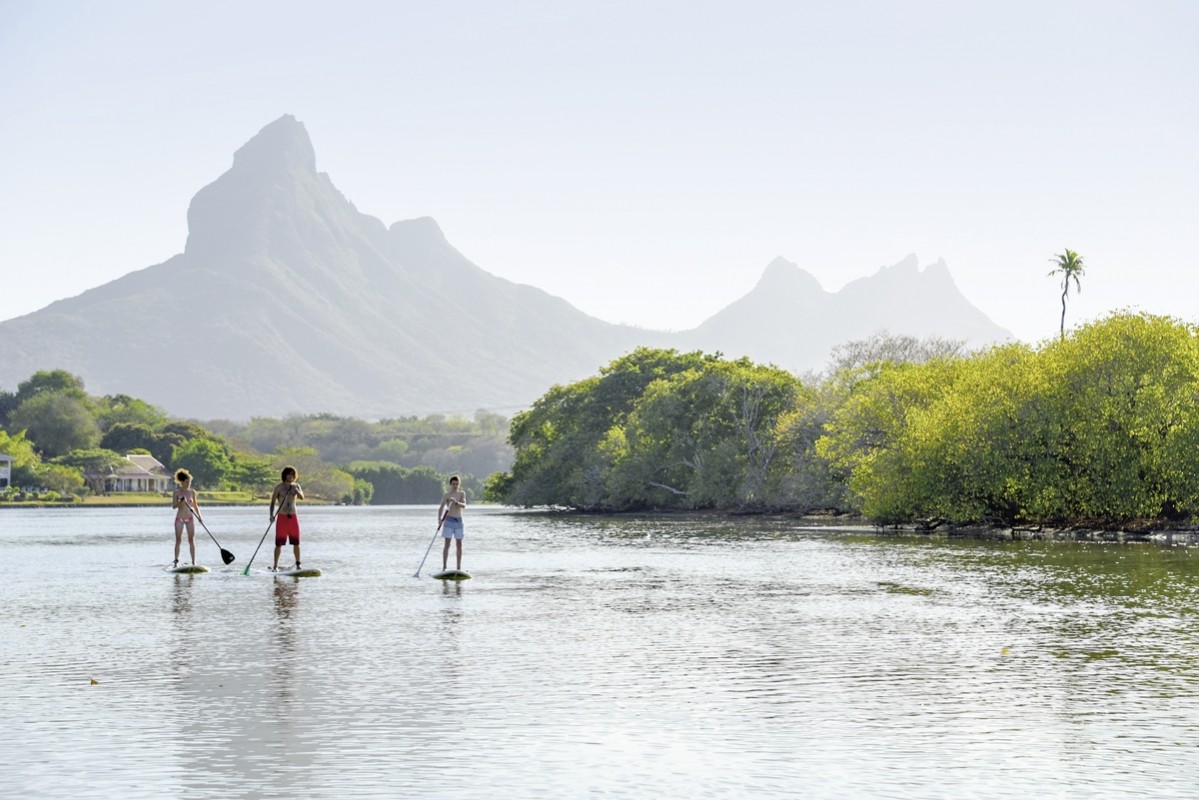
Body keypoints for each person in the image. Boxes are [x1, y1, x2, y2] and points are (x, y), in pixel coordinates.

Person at [269, 466, 305, 572]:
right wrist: (271, 516)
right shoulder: (279, 487)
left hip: (293, 517)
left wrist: (296, 490)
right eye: (289, 474)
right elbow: (272, 503)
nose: (291, 476)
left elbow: (302, 497)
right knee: (279, 543)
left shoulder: (296, 486)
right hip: (282, 517)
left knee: (296, 542)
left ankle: (298, 564)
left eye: (293, 474)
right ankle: (275, 566)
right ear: (285, 475)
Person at [171, 469, 202, 567]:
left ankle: (193, 562)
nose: (189, 484)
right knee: (178, 540)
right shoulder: (176, 492)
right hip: (179, 519)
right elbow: (174, 506)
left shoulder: (192, 492)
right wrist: (181, 502)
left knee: (191, 540)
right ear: (182, 482)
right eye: (187, 482)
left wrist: (200, 517)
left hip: (190, 519)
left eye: (190, 482)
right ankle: (176, 561)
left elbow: (195, 506)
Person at [437, 475, 467, 571]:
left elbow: (464, 505)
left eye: (457, 484)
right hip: (448, 520)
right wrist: (440, 519)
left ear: (459, 484)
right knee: (447, 543)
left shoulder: (462, 494)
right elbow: (441, 508)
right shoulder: (447, 495)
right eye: (453, 484)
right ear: (451, 484)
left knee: (459, 544)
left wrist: (456, 502)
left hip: (458, 520)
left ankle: (458, 568)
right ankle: (444, 567)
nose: (455, 485)